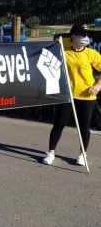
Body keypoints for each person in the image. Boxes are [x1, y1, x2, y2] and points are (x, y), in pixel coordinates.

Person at [43, 24, 101, 166]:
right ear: (74, 37)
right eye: (83, 35)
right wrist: (56, 46)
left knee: (84, 126)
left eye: (87, 35)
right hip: (67, 95)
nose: (86, 38)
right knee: (59, 124)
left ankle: (83, 154)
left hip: (87, 96)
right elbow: (47, 60)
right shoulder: (64, 52)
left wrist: (98, 85)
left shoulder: (91, 54)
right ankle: (51, 153)